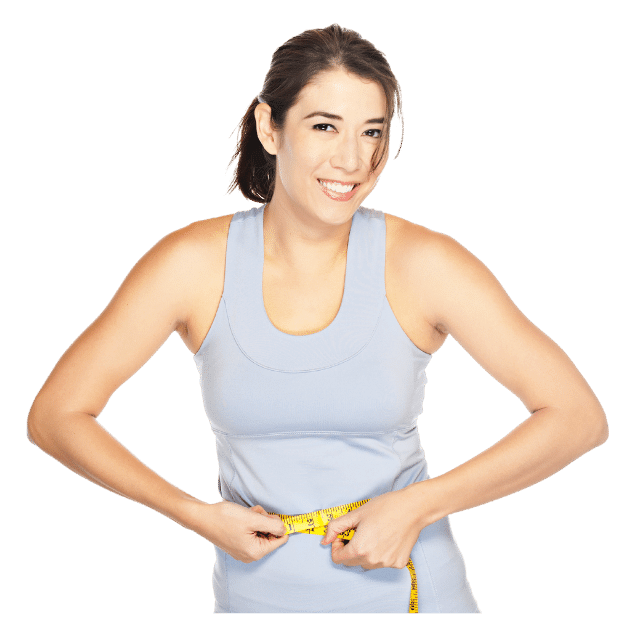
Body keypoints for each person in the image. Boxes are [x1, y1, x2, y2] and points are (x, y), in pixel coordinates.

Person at [26, 24, 608, 614]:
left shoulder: (426, 263)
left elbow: (577, 418)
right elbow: (56, 415)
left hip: (415, 591)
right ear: (268, 127)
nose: (353, 160)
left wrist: (417, 506)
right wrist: (196, 516)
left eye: (372, 132)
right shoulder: (192, 265)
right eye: (324, 126)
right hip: (256, 597)